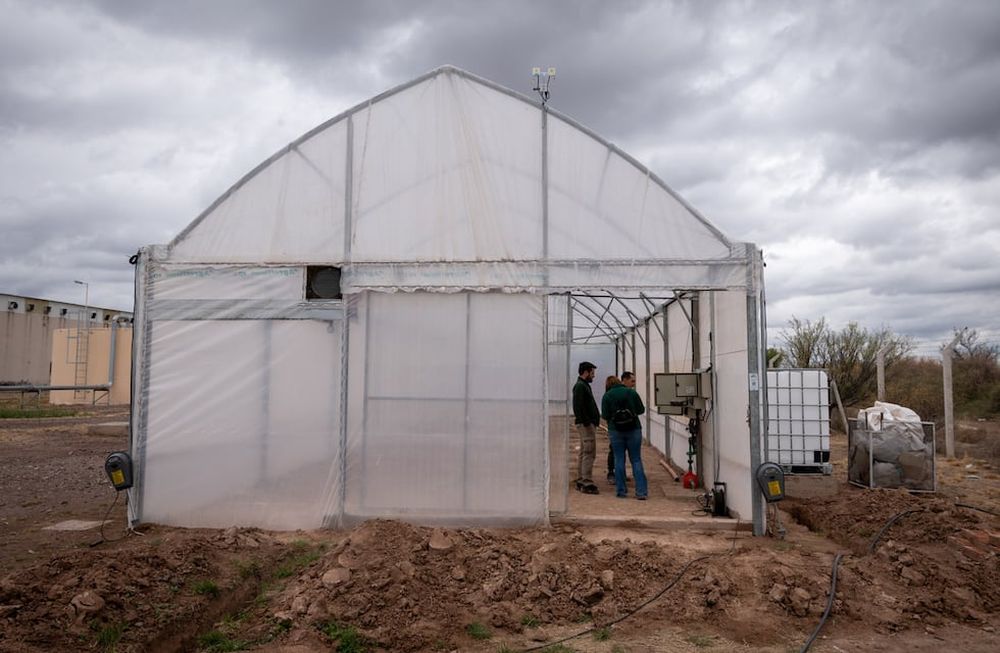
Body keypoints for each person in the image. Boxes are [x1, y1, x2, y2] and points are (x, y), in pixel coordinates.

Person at [601, 375, 648, 500]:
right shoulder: (631, 393)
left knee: (619, 459)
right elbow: (641, 410)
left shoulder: (607, 396)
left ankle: (621, 491)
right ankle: (641, 492)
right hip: (634, 429)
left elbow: (605, 415)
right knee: (636, 459)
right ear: (620, 382)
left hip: (615, 431)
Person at [572, 361, 601, 493]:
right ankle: (586, 482)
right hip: (586, 425)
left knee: (584, 452)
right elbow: (578, 407)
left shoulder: (583, 385)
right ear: (586, 372)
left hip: (586, 424)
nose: (593, 376)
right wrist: (587, 422)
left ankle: (581, 479)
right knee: (589, 452)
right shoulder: (580, 386)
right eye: (592, 373)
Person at [606, 371, 636, 484]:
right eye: (632, 381)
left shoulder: (628, 393)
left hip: (618, 428)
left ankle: (618, 474)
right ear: (623, 381)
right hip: (618, 428)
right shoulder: (614, 394)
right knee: (616, 452)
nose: (633, 384)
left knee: (617, 452)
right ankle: (612, 473)